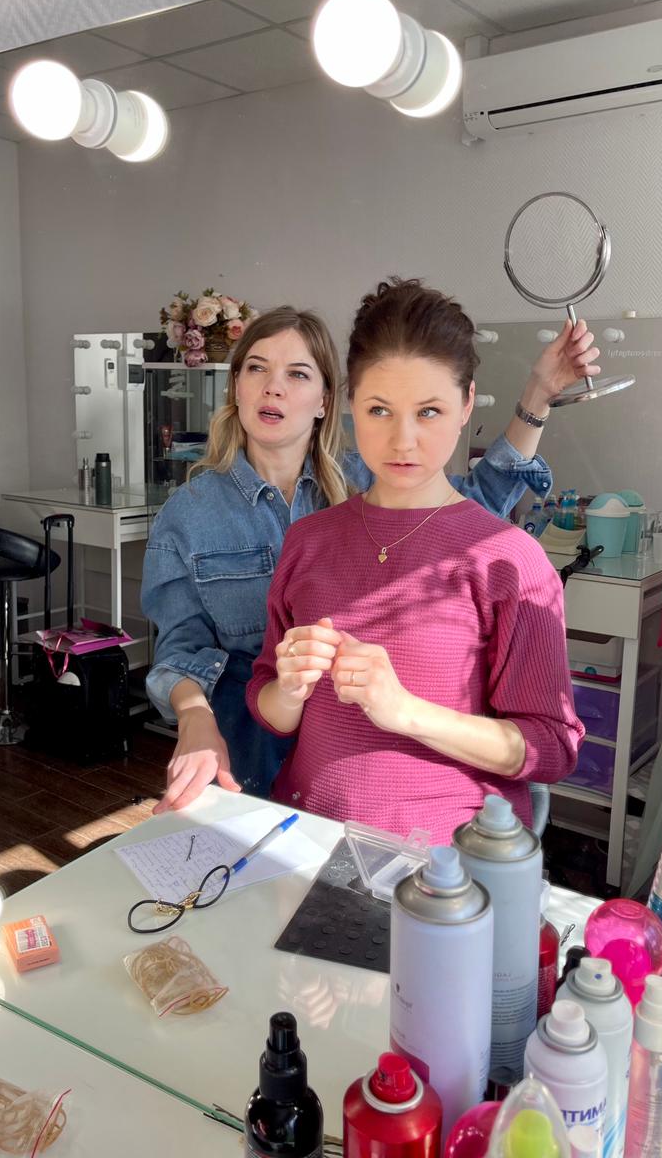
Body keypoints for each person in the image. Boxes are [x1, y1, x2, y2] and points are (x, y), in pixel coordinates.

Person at [143, 303, 597, 813]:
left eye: (297, 374)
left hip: (422, 807)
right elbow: (185, 646)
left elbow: (472, 516)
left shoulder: (376, 473)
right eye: (257, 368)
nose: (274, 388)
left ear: (327, 399)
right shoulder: (202, 514)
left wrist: (536, 398)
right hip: (255, 749)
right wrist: (198, 715)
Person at [246, 280, 585, 842]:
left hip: (444, 862)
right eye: (379, 410)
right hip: (306, 838)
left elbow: (551, 747)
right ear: (350, 404)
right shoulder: (308, 540)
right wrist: (289, 687)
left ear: (466, 405)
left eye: (429, 412)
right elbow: (272, 711)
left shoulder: (508, 560)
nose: (403, 441)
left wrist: (406, 711)